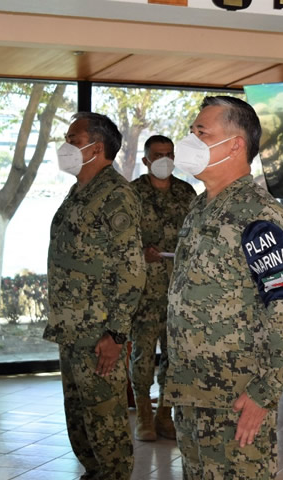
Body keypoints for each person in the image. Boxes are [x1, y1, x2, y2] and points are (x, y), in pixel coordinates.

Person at [165, 96, 283, 479]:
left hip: (235, 394)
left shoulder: (258, 215)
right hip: (192, 389)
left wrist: (265, 393)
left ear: (234, 145)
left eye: (201, 132)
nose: (190, 140)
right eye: (191, 131)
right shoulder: (200, 207)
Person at [44, 112, 146, 479]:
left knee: (106, 426)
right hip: (71, 329)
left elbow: (132, 270)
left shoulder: (116, 195)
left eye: (73, 139)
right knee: (81, 421)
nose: (65, 145)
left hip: (99, 333)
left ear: (96, 147)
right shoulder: (79, 192)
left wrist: (116, 334)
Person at [129, 135, 197, 441]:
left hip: (178, 292)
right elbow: (119, 241)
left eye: (169, 154)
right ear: (146, 160)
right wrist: (140, 253)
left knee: (174, 356)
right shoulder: (132, 193)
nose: (164, 159)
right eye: (158, 154)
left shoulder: (186, 192)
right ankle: (144, 416)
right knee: (142, 357)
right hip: (144, 292)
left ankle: (164, 415)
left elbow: (197, 235)